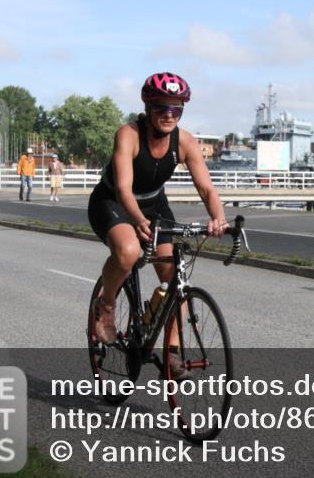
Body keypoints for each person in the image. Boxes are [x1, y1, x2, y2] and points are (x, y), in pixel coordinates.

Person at [87, 72, 228, 375]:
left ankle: (172, 353)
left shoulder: (186, 141)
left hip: (153, 203)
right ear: (148, 107)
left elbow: (206, 189)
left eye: (176, 109)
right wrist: (137, 220)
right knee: (128, 252)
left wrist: (218, 217)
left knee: (175, 278)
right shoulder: (129, 134)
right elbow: (124, 189)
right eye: (161, 107)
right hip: (113, 201)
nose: (168, 115)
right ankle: (106, 306)